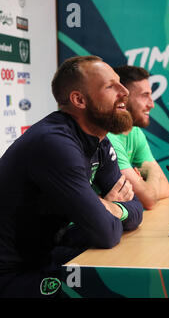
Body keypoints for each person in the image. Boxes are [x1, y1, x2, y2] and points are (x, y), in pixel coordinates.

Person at [0, 56, 144, 297]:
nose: (124, 92)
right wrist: (107, 212)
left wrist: (112, 208)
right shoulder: (54, 143)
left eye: (120, 83)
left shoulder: (99, 141)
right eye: (110, 86)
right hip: (13, 273)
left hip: (47, 255)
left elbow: (135, 207)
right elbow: (105, 233)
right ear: (79, 99)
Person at [107, 66, 169, 210]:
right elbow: (148, 200)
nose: (151, 104)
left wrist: (146, 188)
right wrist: (152, 172)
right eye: (144, 95)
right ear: (123, 97)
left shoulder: (134, 132)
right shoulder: (108, 137)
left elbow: (165, 187)